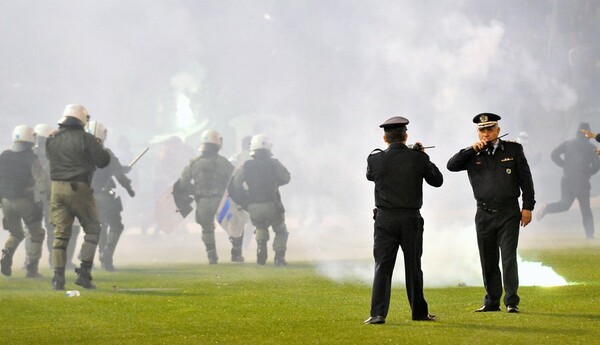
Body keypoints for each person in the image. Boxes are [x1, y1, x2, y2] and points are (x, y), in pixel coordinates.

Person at [447, 113, 535, 314]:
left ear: (498, 130)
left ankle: (511, 301)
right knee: (488, 259)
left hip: (509, 212)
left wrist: (527, 207)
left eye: (489, 129)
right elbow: (451, 166)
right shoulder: (472, 153)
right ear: (477, 133)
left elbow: (526, 180)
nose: (486, 134)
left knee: (508, 257)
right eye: (481, 130)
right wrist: (470, 149)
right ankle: (491, 301)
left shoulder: (513, 149)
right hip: (484, 212)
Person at [363, 116, 442, 325]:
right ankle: (419, 312)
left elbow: (370, 176)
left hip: (385, 219)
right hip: (410, 219)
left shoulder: (375, 159)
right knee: (413, 266)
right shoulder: (418, 158)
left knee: (382, 267)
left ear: (385, 138)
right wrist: (421, 155)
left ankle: (378, 313)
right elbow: (437, 180)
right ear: (406, 135)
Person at [46, 104, 111, 290]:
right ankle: (84, 274)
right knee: (92, 229)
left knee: (60, 233)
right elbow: (103, 161)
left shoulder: (51, 139)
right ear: (83, 119)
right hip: (78, 187)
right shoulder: (86, 138)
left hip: (56, 188)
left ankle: (57, 278)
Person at [228, 134, 291, 266]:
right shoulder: (274, 163)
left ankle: (261, 248)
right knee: (280, 229)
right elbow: (286, 178)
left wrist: (244, 201)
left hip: (253, 206)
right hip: (272, 203)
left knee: (260, 226)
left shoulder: (247, 165)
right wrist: (274, 183)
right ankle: (279, 257)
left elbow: (235, 185)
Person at [174, 130, 234, 264]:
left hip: (203, 202)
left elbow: (183, 183)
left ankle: (212, 256)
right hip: (221, 201)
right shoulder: (225, 163)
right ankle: (236, 252)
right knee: (234, 225)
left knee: (207, 229)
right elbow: (233, 181)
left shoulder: (193, 163)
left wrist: (193, 191)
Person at [0, 125, 50, 278]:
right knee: (37, 233)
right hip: (24, 201)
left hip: (5, 201)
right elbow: (41, 180)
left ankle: (6, 254)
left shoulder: (4, 155)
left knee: (16, 233)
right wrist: (47, 197)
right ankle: (32, 268)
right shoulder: (31, 158)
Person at [537, 123, 600, 239]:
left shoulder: (567, 144)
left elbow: (554, 154)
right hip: (582, 181)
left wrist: (564, 165)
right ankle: (590, 235)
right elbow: (597, 164)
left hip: (567, 179)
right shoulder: (592, 148)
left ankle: (547, 208)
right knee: (585, 208)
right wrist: (589, 172)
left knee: (564, 204)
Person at [87, 121, 135, 271]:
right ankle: (106, 255)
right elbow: (119, 175)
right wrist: (128, 187)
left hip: (85, 197)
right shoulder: (107, 154)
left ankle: (94, 257)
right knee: (115, 226)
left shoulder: (79, 155)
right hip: (103, 196)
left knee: (98, 227)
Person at [226, 135, 253, 262]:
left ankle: (237, 247)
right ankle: (244, 245)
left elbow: (228, 174)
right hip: (251, 195)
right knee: (250, 222)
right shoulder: (254, 158)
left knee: (238, 223)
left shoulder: (235, 158)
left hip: (235, 196)